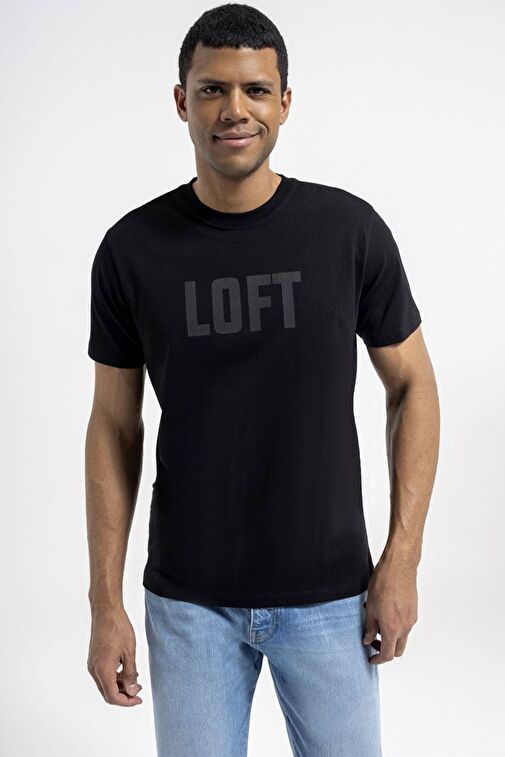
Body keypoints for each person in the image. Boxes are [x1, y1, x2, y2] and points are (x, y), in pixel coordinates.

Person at [85, 4, 440, 755]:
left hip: (333, 597)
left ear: (285, 101)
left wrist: (402, 558)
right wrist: (104, 602)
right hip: (188, 604)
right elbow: (113, 425)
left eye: (254, 89)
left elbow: (412, 384)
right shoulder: (132, 249)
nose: (234, 110)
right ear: (181, 101)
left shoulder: (347, 231)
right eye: (212, 89)